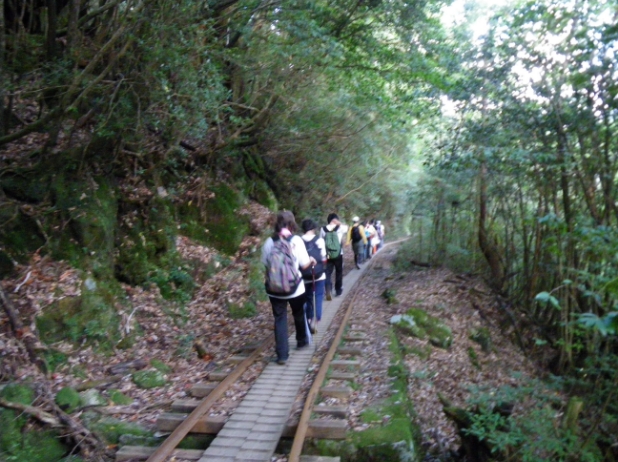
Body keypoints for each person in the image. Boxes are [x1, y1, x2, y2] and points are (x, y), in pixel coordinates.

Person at [261, 211, 316, 365]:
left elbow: (266, 263)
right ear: (292, 224)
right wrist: (311, 261)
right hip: (295, 288)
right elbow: (304, 265)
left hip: (274, 289)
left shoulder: (269, 242)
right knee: (298, 312)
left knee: (280, 318)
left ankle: (282, 355)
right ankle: (301, 340)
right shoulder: (296, 240)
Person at [300, 219, 326, 334]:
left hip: (304, 275)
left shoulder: (298, 241)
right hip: (319, 274)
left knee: (308, 298)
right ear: (314, 228)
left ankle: (309, 319)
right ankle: (316, 320)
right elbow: (324, 257)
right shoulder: (319, 240)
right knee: (319, 296)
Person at [320, 213, 348, 300]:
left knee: (327, 273)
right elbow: (347, 228)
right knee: (339, 272)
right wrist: (338, 222)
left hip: (328, 254)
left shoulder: (323, 229)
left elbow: (321, 241)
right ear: (336, 220)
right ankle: (338, 290)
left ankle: (328, 291)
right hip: (339, 254)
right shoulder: (340, 228)